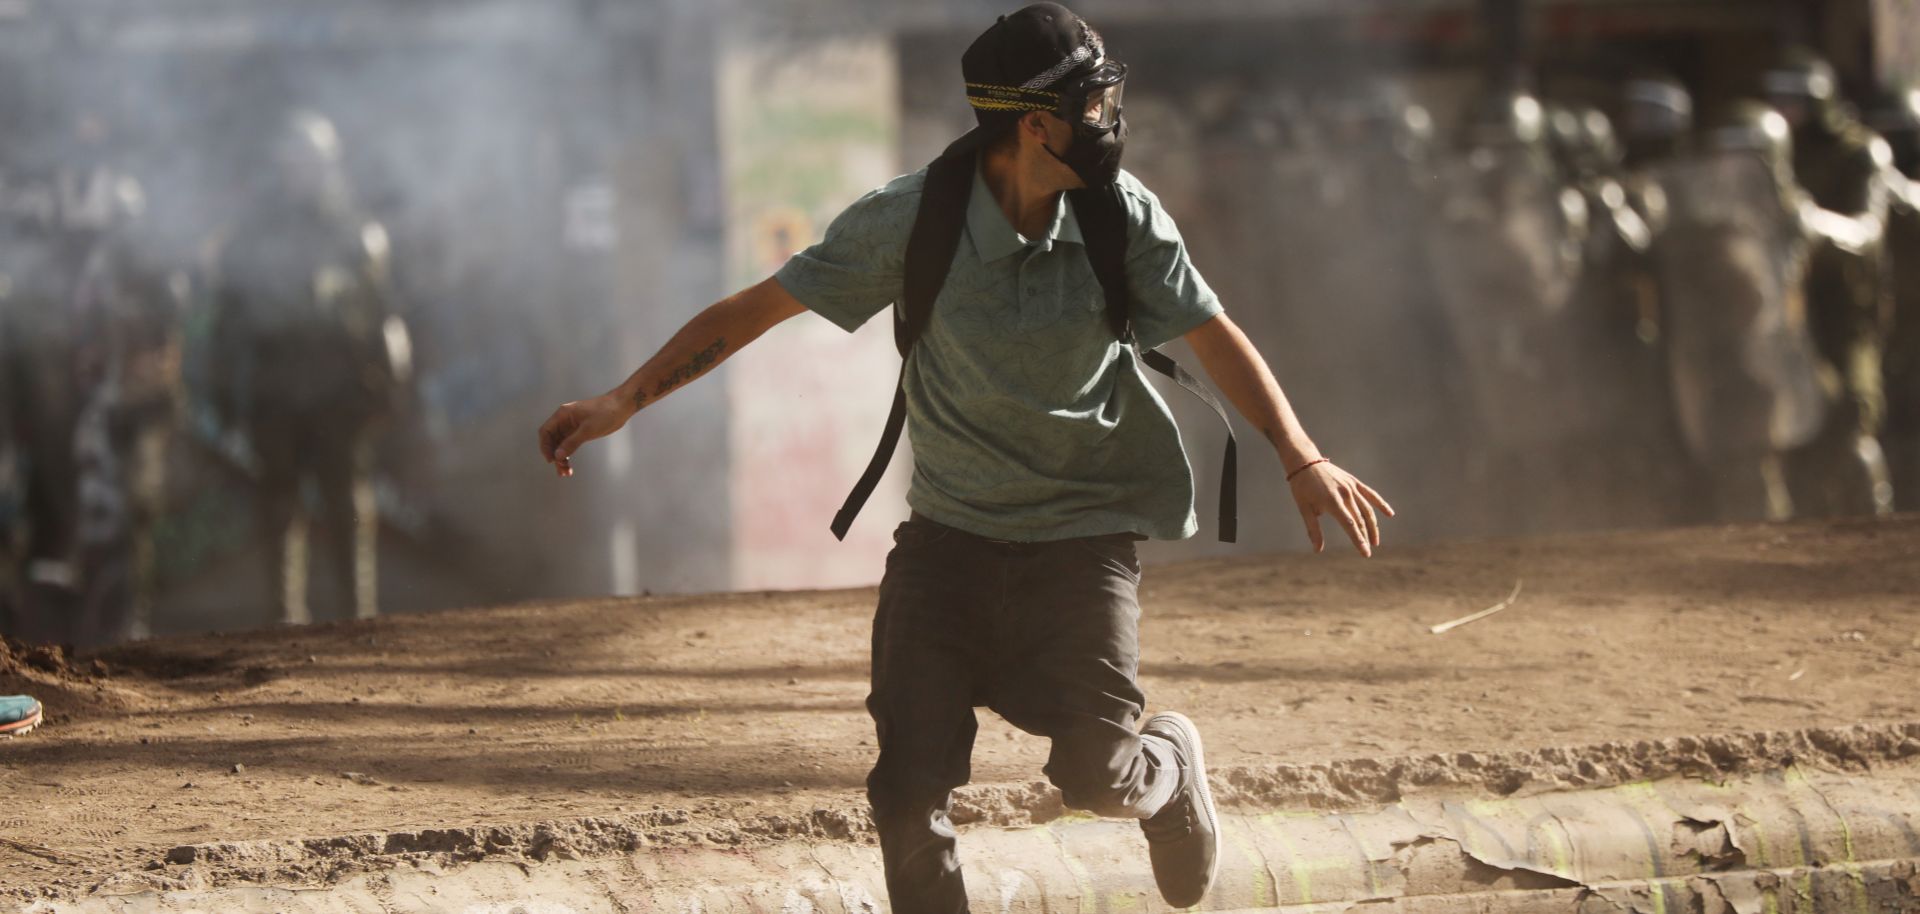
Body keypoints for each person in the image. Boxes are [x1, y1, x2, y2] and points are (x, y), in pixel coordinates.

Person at [536, 5, 1390, 911]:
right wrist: (624, 399)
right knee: (908, 792)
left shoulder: (1119, 217)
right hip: (949, 540)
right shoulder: (912, 221)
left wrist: (1300, 456)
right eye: (1091, 104)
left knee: (1098, 774)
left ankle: (1170, 770)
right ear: (1034, 122)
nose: (1108, 118)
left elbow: (1215, 338)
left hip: (1081, 539)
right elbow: (757, 309)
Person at [210, 111, 399, 625]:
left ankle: (359, 616)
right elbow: (229, 320)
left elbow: (381, 312)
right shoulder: (252, 237)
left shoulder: (353, 230)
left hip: (338, 387)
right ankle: (283, 618)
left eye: (308, 164)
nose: (298, 175)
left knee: (346, 502)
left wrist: (386, 383)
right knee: (278, 503)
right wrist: (226, 394)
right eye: (290, 164)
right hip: (276, 386)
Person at [1762, 49, 1896, 516]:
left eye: (1792, 101)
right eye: (1775, 101)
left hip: (1844, 309)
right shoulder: (1772, 158)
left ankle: (1875, 538)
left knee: (1851, 420)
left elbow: (1867, 230)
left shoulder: (1859, 153)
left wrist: (1814, 224)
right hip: (1784, 311)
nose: (1782, 112)